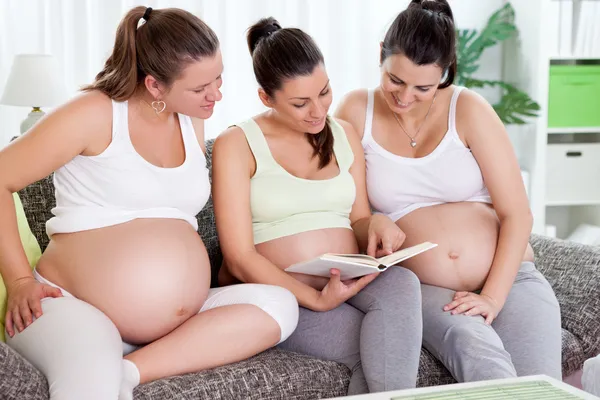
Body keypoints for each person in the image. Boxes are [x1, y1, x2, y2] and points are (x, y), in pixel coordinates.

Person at [0, 7, 298, 400]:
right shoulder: (93, 113)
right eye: (200, 88)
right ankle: (106, 366)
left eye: (218, 78)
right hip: (73, 306)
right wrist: (20, 280)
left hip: (175, 321)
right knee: (88, 381)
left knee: (279, 305)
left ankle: (130, 370)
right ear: (155, 85)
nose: (216, 94)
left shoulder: (190, 116)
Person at [335, 0, 562, 383]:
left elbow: (517, 213)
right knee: (486, 364)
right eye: (395, 80)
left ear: (445, 74)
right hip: (425, 287)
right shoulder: (357, 110)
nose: (405, 98)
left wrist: (492, 297)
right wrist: (372, 221)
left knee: (542, 385)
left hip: (511, 277)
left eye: (423, 87)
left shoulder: (469, 109)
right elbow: (357, 217)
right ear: (380, 56)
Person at [212, 17, 422, 395]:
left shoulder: (343, 134)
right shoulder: (237, 144)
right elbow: (239, 257)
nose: (317, 111)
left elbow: (357, 218)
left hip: (343, 277)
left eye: (324, 92)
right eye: (300, 102)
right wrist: (315, 299)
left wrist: (375, 224)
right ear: (266, 98)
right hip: (285, 292)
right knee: (373, 352)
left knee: (403, 283)